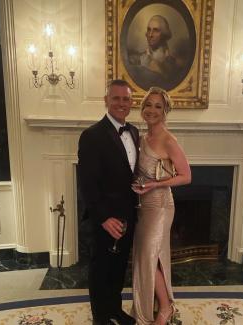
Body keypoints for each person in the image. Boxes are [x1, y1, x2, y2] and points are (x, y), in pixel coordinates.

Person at [78, 79, 139, 325]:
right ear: (106, 101)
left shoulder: (134, 131)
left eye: (126, 99)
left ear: (131, 103)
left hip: (128, 215)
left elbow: (130, 173)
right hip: (106, 218)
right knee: (100, 269)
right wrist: (103, 218)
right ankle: (100, 318)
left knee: (119, 267)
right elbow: (87, 183)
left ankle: (114, 309)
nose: (121, 103)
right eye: (116, 98)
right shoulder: (92, 135)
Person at [131, 87, 191, 324]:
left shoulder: (168, 139)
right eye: (148, 105)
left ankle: (165, 308)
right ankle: (154, 305)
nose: (152, 110)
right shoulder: (142, 138)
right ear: (142, 108)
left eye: (158, 106)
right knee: (145, 257)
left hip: (161, 206)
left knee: (148, 256)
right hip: (143, 206)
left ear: (165, 111)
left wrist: (155, 184)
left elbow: (186, 176)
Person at [127, 15, 182, 91]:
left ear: (164, 34)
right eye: (149, 30)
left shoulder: (174, 63)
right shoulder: (137, 59)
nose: (150, 35)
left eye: (156, 30)